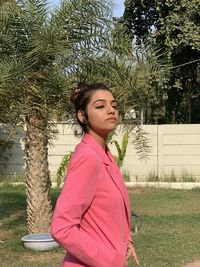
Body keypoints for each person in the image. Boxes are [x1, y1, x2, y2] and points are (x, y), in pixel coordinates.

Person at [51, 83, 139, 267]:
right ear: (82, 116)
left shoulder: (104, 155)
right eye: (100, 106)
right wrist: (112, 260)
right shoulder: (88, 158)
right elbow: (62, 228)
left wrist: (126, 240)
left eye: (114, 106)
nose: (111, 111)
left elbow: (108, 214)